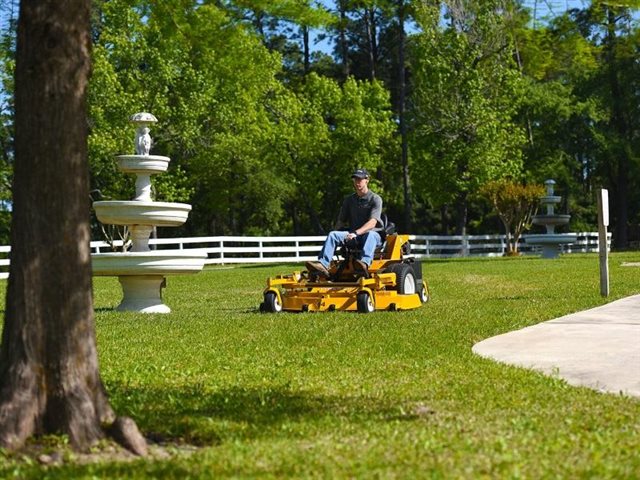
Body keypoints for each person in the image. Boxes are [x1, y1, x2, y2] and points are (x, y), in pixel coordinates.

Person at [306, 168, 383, 276]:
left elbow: (372, 223)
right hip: (354, 235)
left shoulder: (375, 199)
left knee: (370, 234)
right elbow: (341, 221)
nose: (357, 182)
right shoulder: (349, 200)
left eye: (360, 179)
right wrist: (334, 236)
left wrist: (356, 233)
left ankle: (364, 263)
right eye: (355, 180)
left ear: (367, 180)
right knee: (333, 235)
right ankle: (323, 265)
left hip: (372, 236)